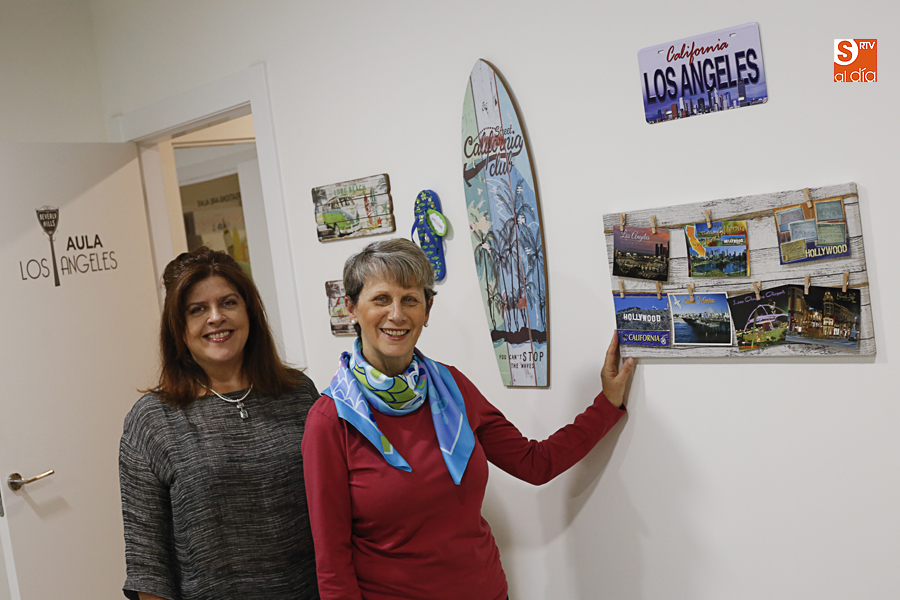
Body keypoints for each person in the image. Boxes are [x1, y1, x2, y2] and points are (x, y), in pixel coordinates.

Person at [302, 239, 634, 600]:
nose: (396, 314)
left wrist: (606, 404)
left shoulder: (452, 387)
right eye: (381, 299)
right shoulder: (331, 419)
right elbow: (332, 562)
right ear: (351, 308)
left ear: (427, 309)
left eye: (410, 299)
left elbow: (534, 463)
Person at [119, 247, 320, 600]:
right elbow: (148, 566)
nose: (216, 318)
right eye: (197, 309)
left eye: (228, 303)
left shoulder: (299, 394)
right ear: (179, 329)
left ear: (249, 312)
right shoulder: (152, 420)